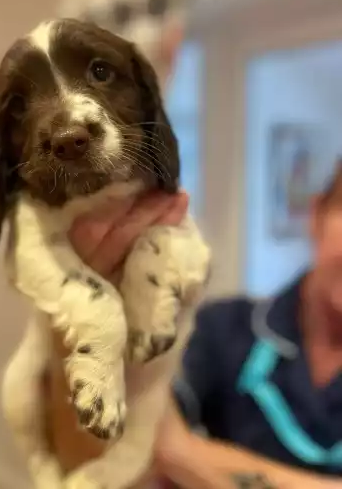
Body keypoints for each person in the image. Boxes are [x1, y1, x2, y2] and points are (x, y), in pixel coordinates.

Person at [57, 162, 342, 489]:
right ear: (318, 215)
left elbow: (164, 445)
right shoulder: (223, 331)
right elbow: (133, 443)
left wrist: (183, 454)